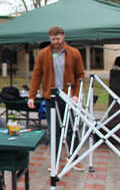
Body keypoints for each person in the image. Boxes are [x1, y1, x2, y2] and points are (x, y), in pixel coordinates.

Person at [27, 26, 85, 171]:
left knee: (72, 128)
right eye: (53, 39)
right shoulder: (43, 54)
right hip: (50, 97)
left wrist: (76, 94)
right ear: (50, 38)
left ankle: (74, 157)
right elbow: (37, 75)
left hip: (69, 97)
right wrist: (31, 95)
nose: (56, 41)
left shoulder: (74, 53)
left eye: (58, 39)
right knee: (54, 130)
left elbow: (80, 75)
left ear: (63, 37)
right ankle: (55, 160)